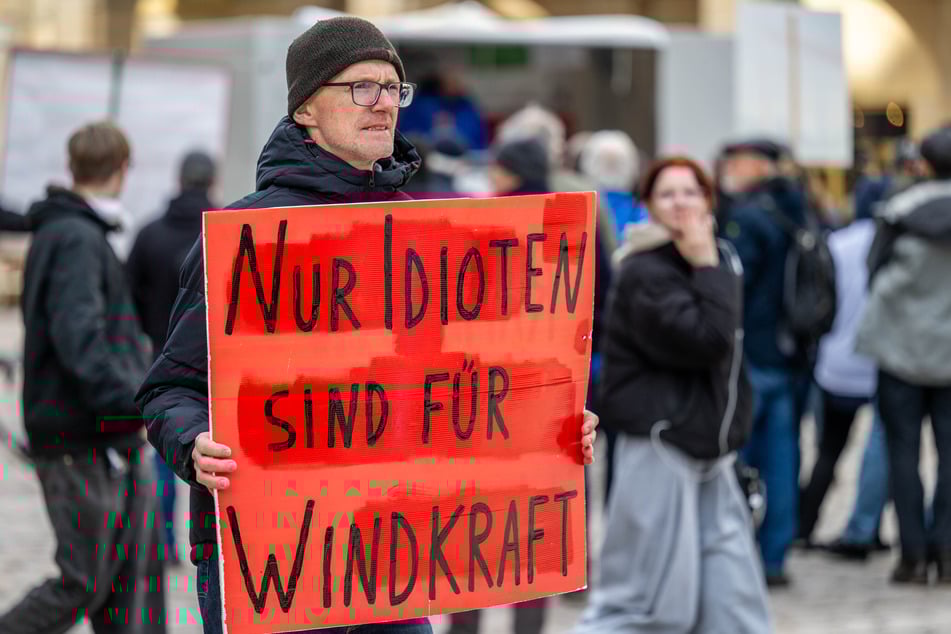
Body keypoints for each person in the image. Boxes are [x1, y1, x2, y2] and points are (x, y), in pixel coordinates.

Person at [135, 17, 600, 634]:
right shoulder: (245, 238)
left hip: (392, 561)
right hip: (278, 563)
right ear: (306, 107)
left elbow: (458, 383)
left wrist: (548, 423)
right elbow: (169, 390)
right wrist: (194, 445)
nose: (384, 102)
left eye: (393, 88)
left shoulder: (425, 234)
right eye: (362, 87)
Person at [574, 156, 770, 634]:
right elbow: (709, 341)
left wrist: (708, 262)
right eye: (667, 193)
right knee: (643, 606)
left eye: (691, 191)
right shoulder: (644, 269)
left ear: (709, 200)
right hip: (661, 445)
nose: (680, 202)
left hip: (714, 450)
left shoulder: (719, 256)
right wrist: (705, 265)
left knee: (734, 607)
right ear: (647, 205)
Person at [0, 122, 165, 633]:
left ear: (73, 167)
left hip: (105, 438)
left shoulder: (80, 231)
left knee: (127, 585)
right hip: (84, 439)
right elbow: (82, 342)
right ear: (123, 169)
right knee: (85, 581)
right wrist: (136, 403)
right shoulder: (74, 236)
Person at [856, 126, 951, 585]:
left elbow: (872, 273)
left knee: (902, 452)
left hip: (900, 349)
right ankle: (948, 550)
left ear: (924, 163)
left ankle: (912, 555)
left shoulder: (898, 211)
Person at [719, 138, 809, 587]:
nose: (728, 171)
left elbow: (735, 285)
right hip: (789, 353)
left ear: (756, 166)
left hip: (752, 355)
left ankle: (741, 555)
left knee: (742, 460)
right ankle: (775, 556)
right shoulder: (799, 207)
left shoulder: (749, 216)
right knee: (782, 461)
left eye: (734, 163)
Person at [127, 150, 217, 567]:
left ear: (179, 179)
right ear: (211, 180)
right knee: (215, 461)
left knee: (169, 456)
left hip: (161, 358)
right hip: (215, 367)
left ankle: (164, 543)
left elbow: (126, 300)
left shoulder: (149, 234)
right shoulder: (222, 232)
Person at [797, 175, 878, 547]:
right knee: (887, 451)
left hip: (837, 362)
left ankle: (804, 525)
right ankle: (867, 527)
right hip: (880, 363)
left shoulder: (836, 243)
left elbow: (820, 302)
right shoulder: (895, 242)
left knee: (828, 450)